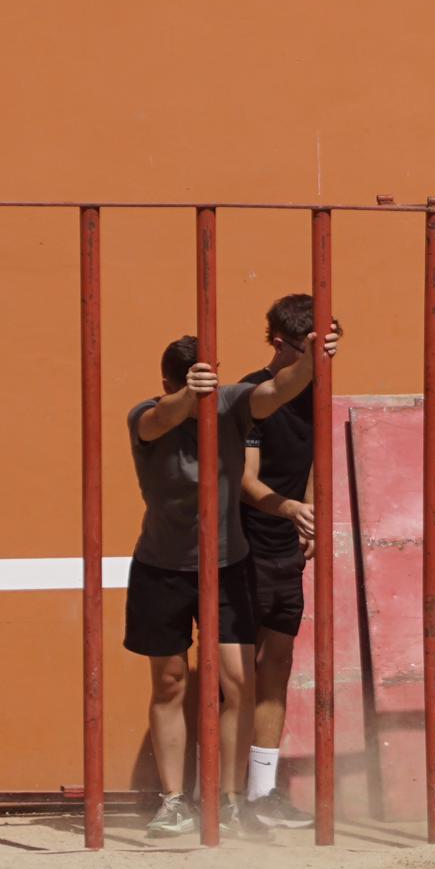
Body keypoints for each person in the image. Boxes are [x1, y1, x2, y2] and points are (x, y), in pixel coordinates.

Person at [127, 323, 338, 838]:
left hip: (227, 565)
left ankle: (229, 799)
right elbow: (158, 420)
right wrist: (186, 396)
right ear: (170, 381)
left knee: (238, 682)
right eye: (193, 383)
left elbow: (276, 390)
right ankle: (175, 800)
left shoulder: (229, 404)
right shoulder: (146, 414)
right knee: (170, 682)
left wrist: (311, 360)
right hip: (162, 566)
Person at [238, 295, 337, 830]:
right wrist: (291, 507)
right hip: (242, 542)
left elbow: (317, 456)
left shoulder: (318, 392)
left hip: (285, 546)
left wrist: (313, 512)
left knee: (276, 665)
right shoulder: (251, 394)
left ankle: (260, 793)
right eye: (308, 350)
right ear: (280, 342)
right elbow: (245, 479)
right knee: (234, 674)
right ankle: (225, 794)